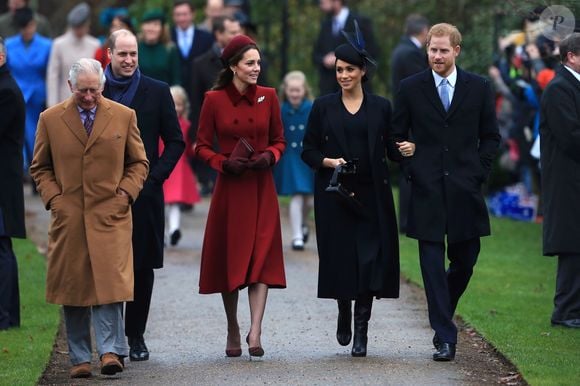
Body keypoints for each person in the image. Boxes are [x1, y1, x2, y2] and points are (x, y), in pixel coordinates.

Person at [29, 58, 149, 378]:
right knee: (74, 287)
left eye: (94, 90)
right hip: (69, 217)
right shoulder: (50, 119)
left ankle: (110, 351)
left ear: (102, 87)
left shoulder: (123, 116)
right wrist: (55, 199)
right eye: (83, 90)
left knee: (109, 285)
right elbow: (40, 167)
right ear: (70, 87)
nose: (88, 96)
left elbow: (138, 163)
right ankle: (79, 357)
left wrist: (124, 194)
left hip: (110, 214)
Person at [390, 23, 501, 361]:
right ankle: (445, 335)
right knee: (431, 264)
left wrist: (477, 174)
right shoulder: (410, 88)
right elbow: (394, 140)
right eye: (432, 50)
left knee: (465, 261)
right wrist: (410, 164)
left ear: (457, 50)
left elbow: (491, 137)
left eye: (442, 50)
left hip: (465, 190)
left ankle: (442, 310)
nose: (436, 56)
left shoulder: (480, 88)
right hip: (426, 190)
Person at [302, 36, 400, 357]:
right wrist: (330, 161)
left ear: (362, 72)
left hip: (372, 196)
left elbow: (391, 150)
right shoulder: (322, 106)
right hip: (336, 195)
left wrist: (405, 149)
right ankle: (344, 308)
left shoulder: (382, 107)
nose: (343, 75)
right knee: (342, 259)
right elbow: (308, 150)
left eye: (349, 70)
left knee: (370, 262)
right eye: (339, 70)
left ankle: (361, 331)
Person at [194, 35, 286, 358]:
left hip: (261, 187)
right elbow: (201, 145)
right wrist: (222, 162)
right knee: (232, 260)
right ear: (234, 66)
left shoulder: (269, 97)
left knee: (261, 257)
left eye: (258, 62)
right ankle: (233, 326)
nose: (256, 68)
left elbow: (280, 140)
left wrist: (270, 157)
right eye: (250, 63)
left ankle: (256, 331)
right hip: (230, 190)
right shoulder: (213, 100)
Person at [103, 29, 184, 362]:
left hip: (145, 195)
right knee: (108, 265)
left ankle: (136, 335)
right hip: (104, 194)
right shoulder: (97, 90)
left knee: (141, 266)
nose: (129, 60)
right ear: (109, 54)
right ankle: (111, 339)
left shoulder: (156, 91)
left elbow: (176, 141)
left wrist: (154, 179)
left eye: (133, 54)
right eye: (122, 54)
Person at [539, 32, 580, 329]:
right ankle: (565, 311)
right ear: (571, 56)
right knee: (571, 246)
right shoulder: (558, 89)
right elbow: (570, 137)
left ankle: (571, 310)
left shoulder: (569, 86)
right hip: (567, 179)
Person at [190, 15, 241, 196]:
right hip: (215, 138)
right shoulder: (200, 64)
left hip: (244, 135)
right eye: (232, 32)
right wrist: (197, 137)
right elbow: (196, 104)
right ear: (218, 34)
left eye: (238, 31)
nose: (238, 35)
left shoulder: (251, 61)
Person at [390, 14, 429, 234]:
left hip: (404, 116)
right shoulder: (411, 54)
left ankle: (407, 219)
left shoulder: (401, 50)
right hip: (412, 118)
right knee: (410, 169)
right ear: (423, 31)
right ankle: (407, 220)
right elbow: (419, 86)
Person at [5, 7, 51, 173]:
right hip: (15, 94)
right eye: (24, 27)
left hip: (38, 96)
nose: (28, 31)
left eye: (30, 26)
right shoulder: (9, 45)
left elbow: (49, 71)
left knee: (37, 134)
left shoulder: (46, 45)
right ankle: (22, 168)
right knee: (17, 133)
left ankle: (37, 168)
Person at [0, 36, 25, 331]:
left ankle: (5, 317)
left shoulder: (6, 91)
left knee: (2, 247)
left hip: (3, 185)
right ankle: (8, 317)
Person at [273, 70, 314, 251]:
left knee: (310, 200)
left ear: (304, 91)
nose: (295, 94)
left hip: (308, 156)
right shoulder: (281, 110)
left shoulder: (312, 108)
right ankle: (297, 235)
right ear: (286, 91)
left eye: (298, 90)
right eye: (291, 90)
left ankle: (304, 223)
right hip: (290, 157)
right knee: (296, 195)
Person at [312, 0, 378, 96]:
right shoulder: (325, 25)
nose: (321, 3)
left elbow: (371, 53)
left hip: (356, 92)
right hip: (329, 93)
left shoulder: (361, 22)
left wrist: (340, 59)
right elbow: (315, 55)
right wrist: (324, 59)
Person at [162, 85, 201, 246]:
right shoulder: (161, 122)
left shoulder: (186, 124)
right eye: (173, 103)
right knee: (162, 203)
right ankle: (164, 233)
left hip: (179, 168)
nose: (176, 107)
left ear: (184, 106)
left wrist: (195, 149)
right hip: (163, 165)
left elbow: (188, 148)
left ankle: (174, 230)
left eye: (179, 104)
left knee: (174, 203)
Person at [46, 2, 100, 107]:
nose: (80, 30)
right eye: (77, 27)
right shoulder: (59, 44)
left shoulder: (94, 44)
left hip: (90, 101)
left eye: (83, 26)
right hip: (65, 101)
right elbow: (53, 76)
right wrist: (52, 104)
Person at [171, 0, 214, 104]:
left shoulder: (206, 37)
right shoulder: (168, 37)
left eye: (185, 14)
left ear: (192, 14)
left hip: (199, 92)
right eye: (178, 15)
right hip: (174, 93)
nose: (181, 18)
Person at [138, 9, 181, 86]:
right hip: (139, 95)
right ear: (142, 26)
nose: (151, 28)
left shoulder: (170, 49)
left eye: (156, 24)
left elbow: (176, 79)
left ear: (162, 29)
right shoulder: (135, 48)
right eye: (148, 23)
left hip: (164, 95)